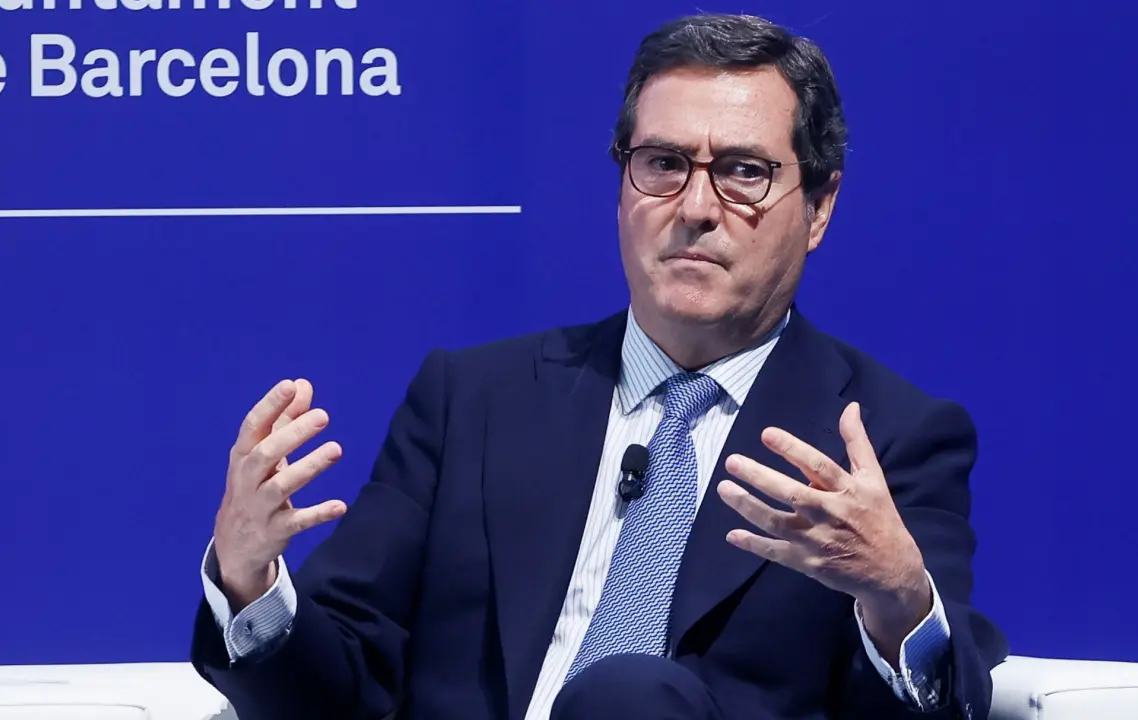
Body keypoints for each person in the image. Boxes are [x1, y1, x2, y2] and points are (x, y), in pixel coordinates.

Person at [189, 12, 1009, 720]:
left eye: (743, 172)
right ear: (621, 185)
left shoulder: (885, 441)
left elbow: (942, 704)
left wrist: (899, 599)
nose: (695, 209)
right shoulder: (472, 401)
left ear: (819, 207)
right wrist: (249, 581)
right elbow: (333, 691)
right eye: (663, 164)